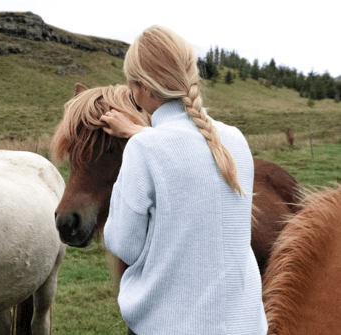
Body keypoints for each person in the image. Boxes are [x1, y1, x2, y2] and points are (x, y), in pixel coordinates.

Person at [100, 26, 267, 335]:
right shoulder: (236, 140)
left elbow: (125, 245)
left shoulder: (144, 149)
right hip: (245, 325)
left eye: (132, 83)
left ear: (144, 88)